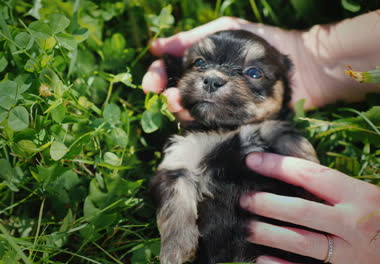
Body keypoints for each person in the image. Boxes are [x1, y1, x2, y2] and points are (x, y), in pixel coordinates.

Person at [142, 11, 380, 264]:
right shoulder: (188, 143)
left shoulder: (284, 137)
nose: (213, 77)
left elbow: (311, 177)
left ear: (285, 85)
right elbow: (172, 182)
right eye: (200, 63)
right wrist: (177, 239)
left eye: (253, 73)